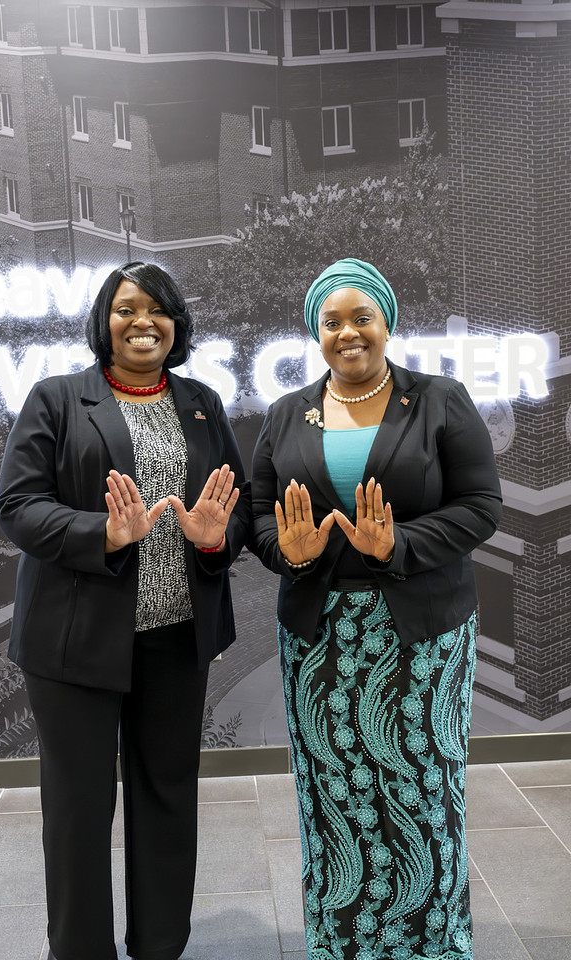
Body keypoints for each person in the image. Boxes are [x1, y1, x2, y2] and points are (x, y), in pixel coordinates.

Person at [0, 261, 251, 960]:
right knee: (78, 809)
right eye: (127, 308)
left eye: (159, 309)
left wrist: (213, 538)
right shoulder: (56, 399)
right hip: (74, 642)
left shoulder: (201, 403)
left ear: (178, 324)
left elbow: (237, 507)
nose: (144, 321)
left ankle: (160, 945)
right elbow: (17, 507)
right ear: (103, 323)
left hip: (175, 637)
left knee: (166, 796)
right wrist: (100, 534)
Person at [250, 258, 502, 959]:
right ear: (315, 333)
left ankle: (433, 945)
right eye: (332, 322)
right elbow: (258, 517)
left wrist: (400, 543)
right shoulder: (282, 415)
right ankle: (340, 944)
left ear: (386, 322)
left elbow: (481, 507)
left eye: (362, 317)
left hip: (422, 636)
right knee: (333, 795)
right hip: (319, 638)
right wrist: (290, 553)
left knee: (422, 791)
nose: (348, 333)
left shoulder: (440, 400)